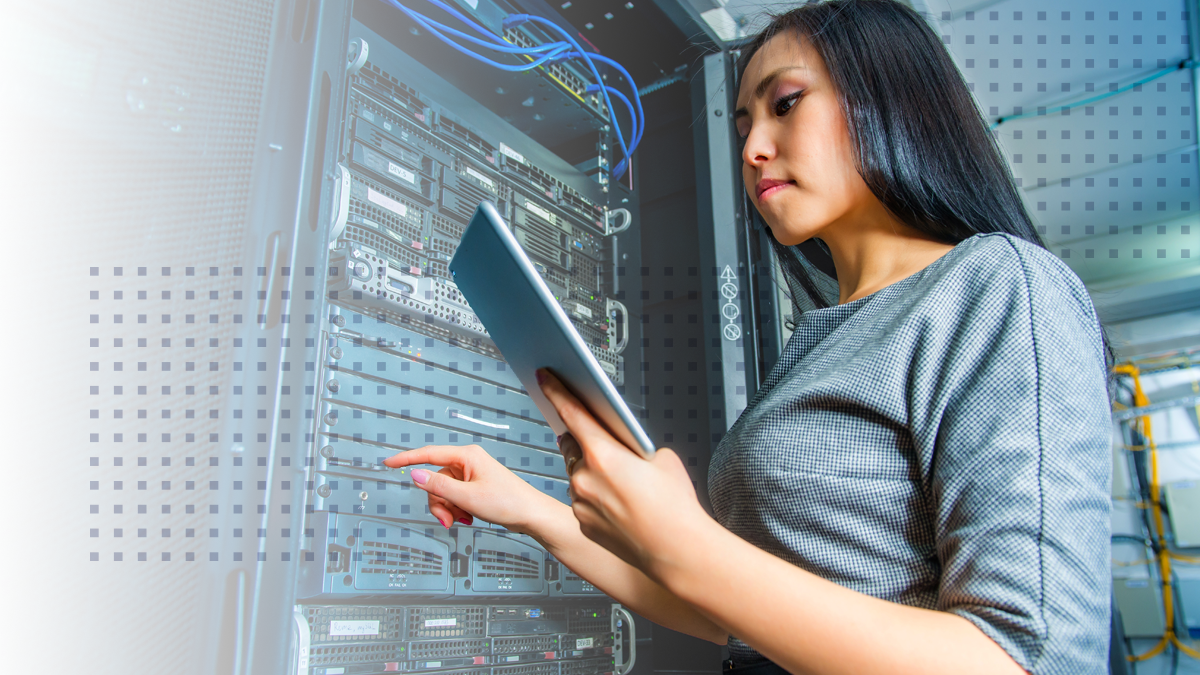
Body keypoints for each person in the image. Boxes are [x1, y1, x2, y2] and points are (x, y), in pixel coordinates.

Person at [384, 1, 1113, 673]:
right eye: (741, 128)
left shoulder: (998, 286)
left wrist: (684, 541)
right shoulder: (823, 342)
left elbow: (1033, 657)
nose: (755, 148)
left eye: (785, 104)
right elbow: (734, 612)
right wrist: (530, 509)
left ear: (890, 98)